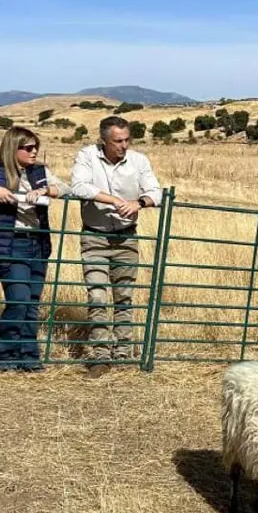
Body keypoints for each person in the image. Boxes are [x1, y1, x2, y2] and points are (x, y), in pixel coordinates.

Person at [0, 126, 122, 372]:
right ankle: (6, 355)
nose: (34, 152)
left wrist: (45, 190)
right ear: (13, 148)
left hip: (38, 243)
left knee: (32, 303)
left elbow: (65, 188)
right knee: (18, 299)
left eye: (36, 148)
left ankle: (29, 356)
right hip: (9, 243)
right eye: (28, 148)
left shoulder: (40, 172)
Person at [70, 115, 163, 378]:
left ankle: (123, 353)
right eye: (117, 141)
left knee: (123, 296)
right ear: (103, 141)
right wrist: (114, 200)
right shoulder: (87, 156)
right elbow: (79, 186)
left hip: (126, 237)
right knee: (97, 295)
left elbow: (156, 191)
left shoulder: (139, 161)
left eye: (127, 140)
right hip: (94, 237)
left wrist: (139, 203)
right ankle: (101, 356)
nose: (124, 145)